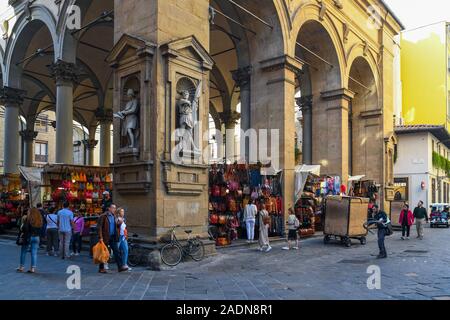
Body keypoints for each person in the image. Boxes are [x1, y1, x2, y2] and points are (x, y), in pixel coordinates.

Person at [97, 204, 128, 273]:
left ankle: (120, 267)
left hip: (113, 237)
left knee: (117, 252)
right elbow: (99, 227)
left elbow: (115, 226)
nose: (114, 209)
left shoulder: (114, 216)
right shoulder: (103, 216)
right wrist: (100, 237)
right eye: (113, 208)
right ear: (109, 208)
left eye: (115, 208)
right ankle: (101, 268)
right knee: (103, 252)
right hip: (105, 237)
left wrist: (119, 224)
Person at [17, 208, 43, 273]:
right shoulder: (39, 220)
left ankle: (21, 267)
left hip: (28, 237)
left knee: (23, 251)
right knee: (34, 253)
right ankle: (33, 268)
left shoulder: (28, 220)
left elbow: (24, 228)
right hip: (36, 237)